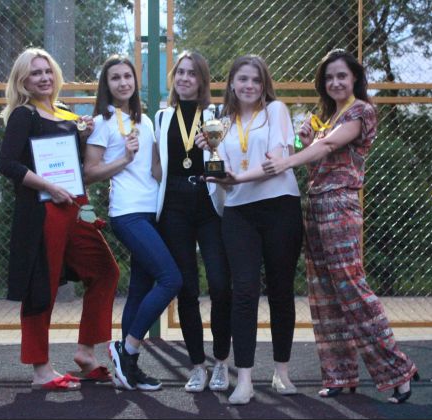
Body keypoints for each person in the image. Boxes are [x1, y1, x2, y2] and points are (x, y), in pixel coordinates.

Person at [262, 48, 419, 404]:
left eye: (342, 76)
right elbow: (316, 162)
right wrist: (304, 142)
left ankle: (398, 370)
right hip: (316, 204)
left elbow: (330, 146)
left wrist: (289, 159)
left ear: (355, 79)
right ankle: (339, 375)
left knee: (351, 287)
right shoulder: (324, 117)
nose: (335, 82)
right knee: (322, 292)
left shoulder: (360, 111)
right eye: (329, 77)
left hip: (341, 205)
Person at [0, 47, 120, 391]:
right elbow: (7, 164)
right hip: (43, 210)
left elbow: (71, 162)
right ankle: (41, 370)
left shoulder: (64, 112)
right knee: (42, 286)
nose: (44, 78)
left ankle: (85, 353)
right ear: (23, 80)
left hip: (75, 207)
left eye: (47, 71)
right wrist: (49, 186)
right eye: (35, 73)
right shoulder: (23, 114)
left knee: (105, 270)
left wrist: (82, 135)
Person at [196, 55, 303, 405]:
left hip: (280, 207)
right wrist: (213, 160)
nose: (249, 86)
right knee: (243, 292)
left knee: (281, 291)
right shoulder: (221, 123)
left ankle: (281, 372)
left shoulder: (276, 111)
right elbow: (223, 176)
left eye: (256, 80)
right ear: (231, 83)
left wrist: (236, 178)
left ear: (264, 84)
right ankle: (244, 379)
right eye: (243, 79)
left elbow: (275, 163)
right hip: (239, 213)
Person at [84, 55, 182, 392]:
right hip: (127, 213)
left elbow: (155, 169)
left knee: (140, 289)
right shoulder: (102, 122)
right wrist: (123, 159)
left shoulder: (146, 121)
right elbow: (89, 172)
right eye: (115, 78)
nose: (123, 82)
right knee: (171, 279)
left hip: (152, 212)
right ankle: (126, 349)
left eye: (128, 76)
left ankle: (129, 369)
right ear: (107, 84)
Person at [155, 51, 232, 393]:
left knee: (219, 284)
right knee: (187, 288)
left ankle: (221, 362)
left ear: (202, 80)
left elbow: (228, 163)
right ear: (174, 77)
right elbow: (156, 165)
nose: (185, 78)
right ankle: (197, 366)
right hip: (174, 206)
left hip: (208, 204)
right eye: (181, 72)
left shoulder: (217, 115)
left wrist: (215, 148)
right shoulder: (161, 117)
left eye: (192, 73)